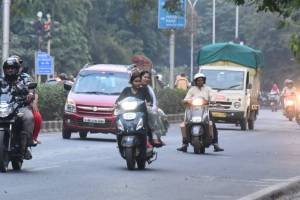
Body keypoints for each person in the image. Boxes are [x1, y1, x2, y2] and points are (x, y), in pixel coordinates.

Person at [177, 73, 224, 152]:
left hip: (205, 109)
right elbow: (186, 98)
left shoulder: (208, 89)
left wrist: (210, 101)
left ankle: (215, 144)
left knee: (212, 124)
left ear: (204, 81)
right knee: (185, 123)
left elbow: (212, 96)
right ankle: (184, 144)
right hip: (192, 110)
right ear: (195, 81)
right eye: (198, 80)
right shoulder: (192, 89)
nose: (200, 82)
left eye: (201, 80)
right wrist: (186, 101)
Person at [1, 56, 36, 160]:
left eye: (12, 68)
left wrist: (30, 94)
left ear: (17, 69)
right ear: (4, 69)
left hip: (20, 106)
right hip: (4, 107)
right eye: (8, 68)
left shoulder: (25, 78)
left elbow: (31, 89)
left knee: (28, 117)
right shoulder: (1, 80)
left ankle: (24, 147)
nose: (10, 70)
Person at [140, 70, 166, 147]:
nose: (146, 79)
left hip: (149, 107)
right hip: (139, 108)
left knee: (161, 114)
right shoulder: (135, 87)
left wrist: (154, 106)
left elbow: (152, 100)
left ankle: (157, 136)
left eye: (148, 78)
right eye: (145, 77)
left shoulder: (148, 88)